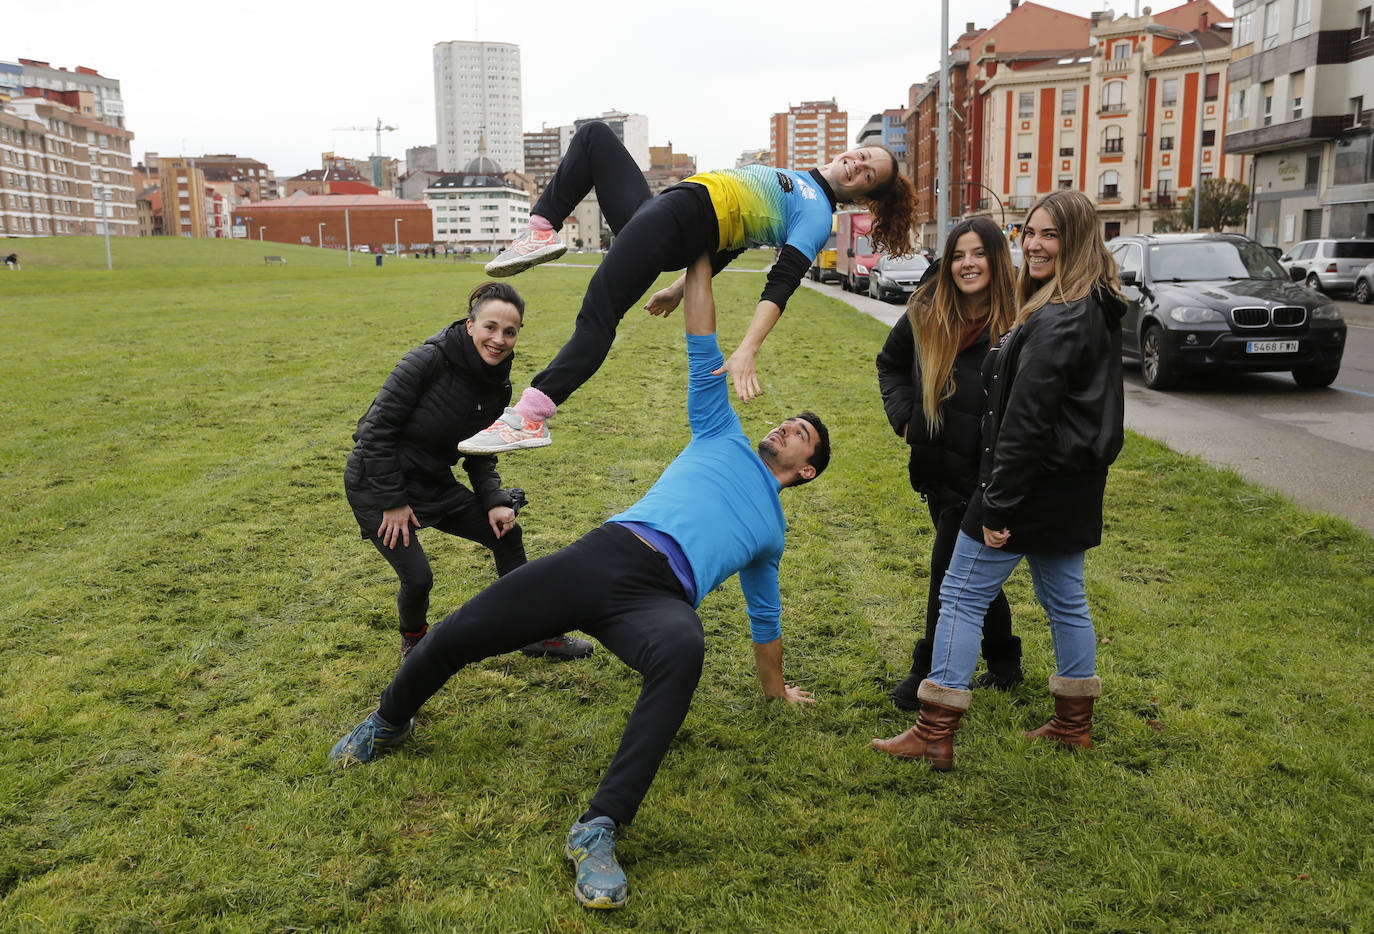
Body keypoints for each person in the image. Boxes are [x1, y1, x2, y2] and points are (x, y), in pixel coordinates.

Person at [330, 253, 828, 910]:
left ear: (806, 471)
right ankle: (389, 720)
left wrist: (777, 690)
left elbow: (766, 618)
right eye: (791, 419)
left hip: (661, 601)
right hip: (609, 554)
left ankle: (598, 828)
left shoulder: (772, 531)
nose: (788, 425)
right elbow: (702, 337)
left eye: (803, 435)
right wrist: (701, 257)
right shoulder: (721, 430)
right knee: (468, 627)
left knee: (685, 650)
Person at [457, 119, 913, 454]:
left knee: (599, 311)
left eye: (868, 174)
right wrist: (677, 290)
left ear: (864, 196)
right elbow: (737, 239)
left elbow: (781, 285)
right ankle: (541, 227)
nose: (857, 164)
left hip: (679, 221)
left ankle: (531, 417)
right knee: (595, 136)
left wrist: (748, 348)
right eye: (862, 155)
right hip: (667, 210)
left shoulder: (816, 216)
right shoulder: (798, 179)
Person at [871, 189, 1126, 770]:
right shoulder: (1087, 304)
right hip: (1069, 485)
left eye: (1050, 235)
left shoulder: (1059, 318)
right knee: (1065, 599)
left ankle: (934, 730)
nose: (1035, 245)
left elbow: (1026, 425)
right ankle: (1072, 722)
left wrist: (999, 507)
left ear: (1078, 241)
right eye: (1030, 233)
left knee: (959, 594)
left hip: (1027, 486)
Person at [344, 281, 593, 661]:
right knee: (418, 578)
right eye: (490, 327)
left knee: (506, 533)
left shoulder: (498, 384)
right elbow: (373, 433)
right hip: (377, 481)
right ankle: (414, 643)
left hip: (432, 481)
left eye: (510, 332)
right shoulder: (426, 360)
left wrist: (494, 501)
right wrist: (392, 502)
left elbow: (480, 450)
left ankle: (534, 633)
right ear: (470, 325)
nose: (499, 339)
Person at [875, 217, 1022, 710]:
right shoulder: (926, 310)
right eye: (959, 255)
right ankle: (1004, 663)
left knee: (950, 574)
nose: (967, 264)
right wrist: (904, 420)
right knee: (971, 570)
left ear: (997, 259)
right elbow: (890, 363)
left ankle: (925, 672)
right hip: (937, 469)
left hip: (985, 478)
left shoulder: (1019, 321)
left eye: (978, 253)